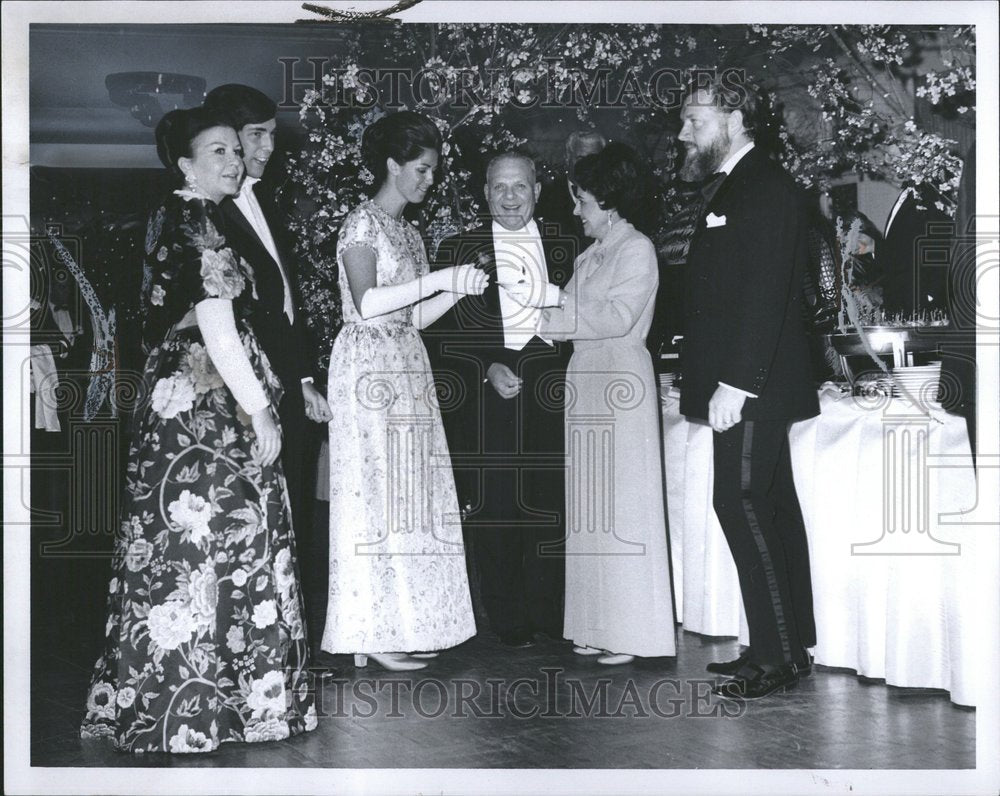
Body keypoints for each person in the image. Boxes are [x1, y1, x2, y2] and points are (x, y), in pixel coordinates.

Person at [80, 108, 315, 751]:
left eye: (237, 150)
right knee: (223, 541)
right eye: (218, 150)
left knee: (187, 549)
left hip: (179, 399)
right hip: (208, 406)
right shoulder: (196, 219)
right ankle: (210, 707)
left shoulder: (175, 214)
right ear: (185, 164)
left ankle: (188, 700)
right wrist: (260, 409)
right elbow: (215, 322)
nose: (235, 161)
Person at [321, 111, 484, 672]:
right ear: (391, 165)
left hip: (406, 361)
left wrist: (457, 288)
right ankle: (367, 630)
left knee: (408, 495)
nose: (429, 180)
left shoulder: (409, 233)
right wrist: (439, 279)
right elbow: (367, 304)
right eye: (421, 169)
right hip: (367, 367)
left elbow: (413, 318)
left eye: (433, 171)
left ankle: (404, 623)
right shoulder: (360, 226)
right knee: (373, 494)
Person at [677, 75, 819, 699]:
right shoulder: (743, 182)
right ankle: (783, 646)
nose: (683, 132)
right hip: (756, 381)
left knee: (741, 503)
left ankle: (779, 655)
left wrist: (736, 383)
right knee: (771, 504)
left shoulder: (762, 185)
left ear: (734, 119)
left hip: (753, 384)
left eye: (693, 119)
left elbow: (764, 293)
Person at [520, 142, 677, 665]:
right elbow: (562, 317)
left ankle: (631, 631)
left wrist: (551, 301)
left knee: (623, 507)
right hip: (586, 376)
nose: (576, 211)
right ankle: (594, 622)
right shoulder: (591, 255)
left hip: (620, 379)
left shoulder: (638, 249)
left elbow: (615, 319)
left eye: (583, 201)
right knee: (589, 507)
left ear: (609, 202)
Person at [203, 85, 335, 673]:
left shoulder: (266, 200)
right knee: (253, 520)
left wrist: (304, 375)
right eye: (254, 135)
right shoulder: (208, 209)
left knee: (296, 515)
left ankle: (295, 648)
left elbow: (288, 302)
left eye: (270, 135)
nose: (264, 148)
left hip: (287, 380)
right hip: (244, 387)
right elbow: (232, 315)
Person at [432, 152, 576, 648]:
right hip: (489, 395)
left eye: (520, 186)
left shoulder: (570, 244)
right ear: (485, 191)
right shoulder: (458, 247)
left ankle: (551, 615)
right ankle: (509, 618)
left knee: (551, 501)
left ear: (537, 189)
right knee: (496, 505)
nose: (510, 197)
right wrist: (487, 367)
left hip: (555, 390)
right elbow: (439, 337)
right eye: (499, 187)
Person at [535, 129, 607, 258]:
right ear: (567, 158)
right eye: (581, 158)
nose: (587, 165)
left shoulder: (614, 198)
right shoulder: (544, 199)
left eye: (594, 159)